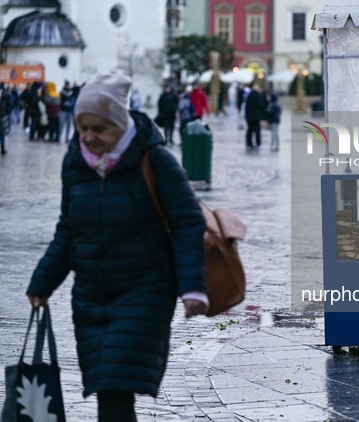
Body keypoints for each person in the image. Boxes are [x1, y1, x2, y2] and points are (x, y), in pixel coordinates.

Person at [26, 70, 209, 422]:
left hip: (144, 289)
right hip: (91, 293)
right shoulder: (75, 162)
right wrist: (43, 282)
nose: (89, 137)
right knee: (104, 385)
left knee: (114, 384)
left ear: (120, 124)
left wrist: (192, 287)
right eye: (83, 128)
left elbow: (188, 221)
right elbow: (68, 228)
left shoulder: (154, 159)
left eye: (99, 129)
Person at [244, 84, 265, 150]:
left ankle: (249, 143)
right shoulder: (258, 96)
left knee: (249, 130)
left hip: (249, 117)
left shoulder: (249, 96)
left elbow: (246, 107)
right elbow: (262, 105)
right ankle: (258, 143)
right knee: (257, 131)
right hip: (256, 117)